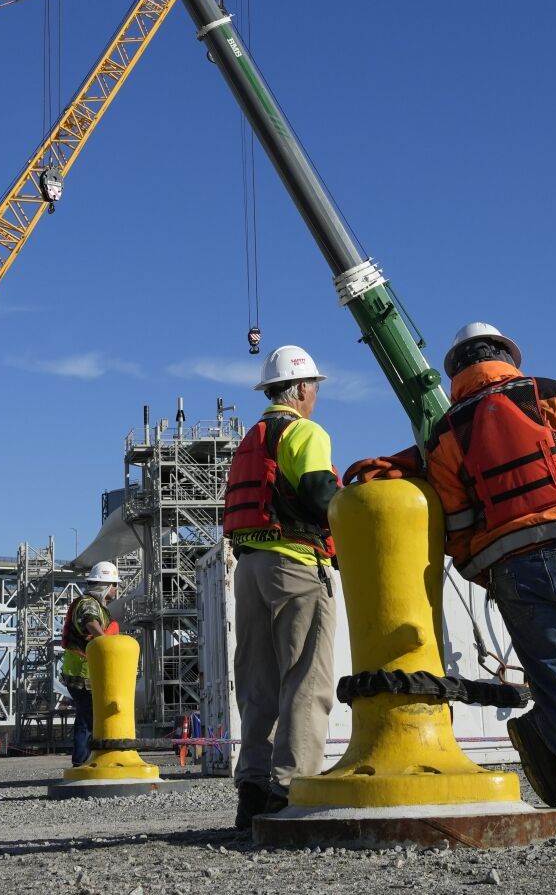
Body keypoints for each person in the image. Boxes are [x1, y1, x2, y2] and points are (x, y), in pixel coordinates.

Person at [345, 321, 556, 836]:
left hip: (514, 569)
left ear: (456, 375)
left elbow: (458, 524)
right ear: (507, 356)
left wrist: (493, 575)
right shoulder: (553, 394)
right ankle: (551, 734)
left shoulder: (447, 433)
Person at [223, 344, 340, 831]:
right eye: (314, 388)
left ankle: (252, 791)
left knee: (258, 685)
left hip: (248, 569)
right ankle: (291, 792)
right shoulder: (303, 431)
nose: (315, 397)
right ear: (302, 390)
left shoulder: (251, 439)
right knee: (305, 679)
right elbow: (318, 494)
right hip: (293, 563)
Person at [59, 561, 122, 766]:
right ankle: (82, 762)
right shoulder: (88, 604)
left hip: (86, 674)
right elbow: (89, 621)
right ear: (105, 585)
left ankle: (86, 760)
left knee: (87, 717)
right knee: (88, 719)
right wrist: (105, 643)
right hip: (80, 674)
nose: (116, 589)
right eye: (114, 585)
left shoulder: (98, 606)